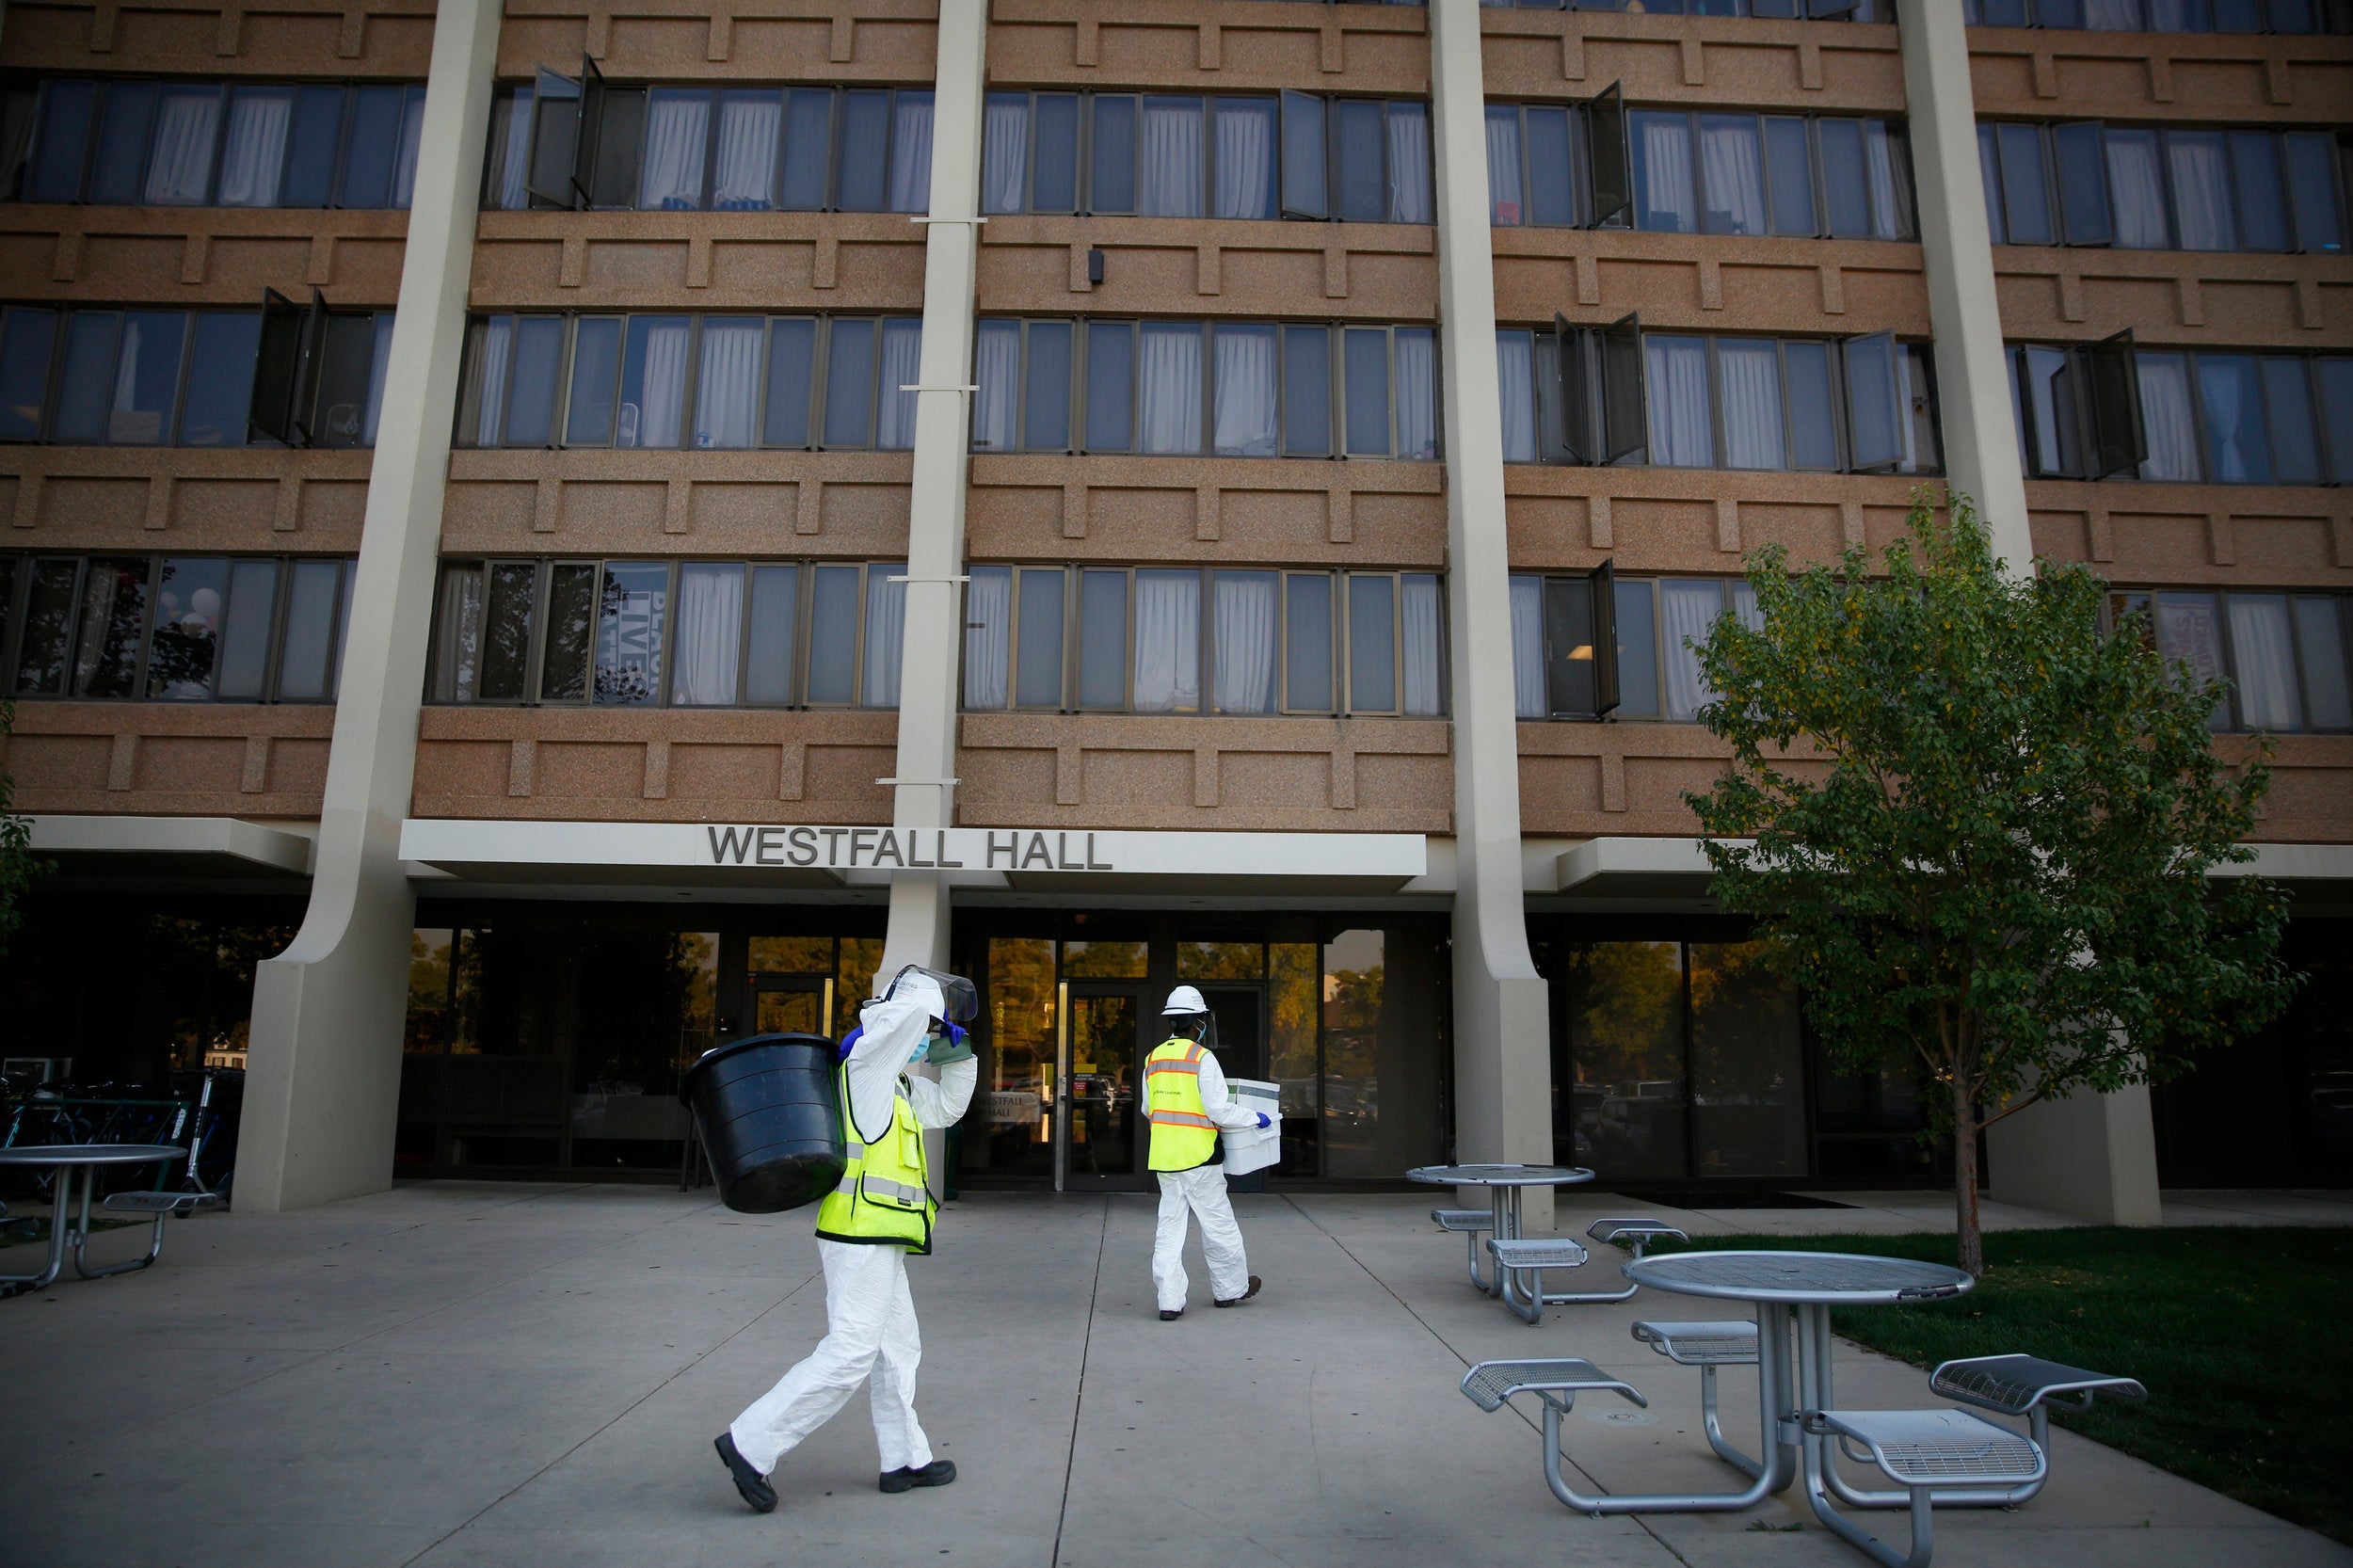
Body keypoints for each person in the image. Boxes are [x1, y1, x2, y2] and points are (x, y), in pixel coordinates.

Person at [714, 965, 979, 1514]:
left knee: (897, 1349)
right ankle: (751, 1443)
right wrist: (922, 1010)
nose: (928, 1039)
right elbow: (900, 1018)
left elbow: (949, 1109)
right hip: (859, 1232)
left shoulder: (898, 1084)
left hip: (880, 1234)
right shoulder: (867, 1067)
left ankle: (904, 1459)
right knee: (851, 1351)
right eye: (928, 1028)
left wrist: (958, 1055)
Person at [1144, 985, 1270, 1321]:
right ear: (1199, 1021)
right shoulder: (1202, 1058)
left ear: (1172, 1021)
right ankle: (1230, 1289)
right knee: (1218, 1225)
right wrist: (1255, 1117)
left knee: (1169, 1229)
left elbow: (1147, 1109)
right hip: (1200, 1157)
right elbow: (1219, 1110)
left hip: (1165, 1159)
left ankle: (1169, 1302)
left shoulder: (1153, 1058)